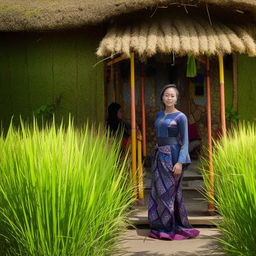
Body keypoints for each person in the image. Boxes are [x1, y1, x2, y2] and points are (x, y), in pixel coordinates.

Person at [148, 84, 200, 240]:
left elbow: (184, 141)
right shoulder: (158, 115)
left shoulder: (181, 117)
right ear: (162, 97)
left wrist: (180, 162)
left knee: (170, 192)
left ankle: (170, 226)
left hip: (173, 155)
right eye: (166, 95)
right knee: (158, 191)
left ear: (177, 98)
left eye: (172, 96)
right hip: (159, 155)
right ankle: (159, 225)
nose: (169, 98)